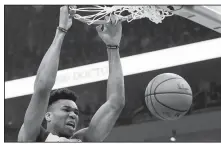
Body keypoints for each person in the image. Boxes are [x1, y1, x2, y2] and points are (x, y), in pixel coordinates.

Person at [18, 6, 125, 142]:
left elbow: (116, 103)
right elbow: (42, 88)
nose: (73, 115)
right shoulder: (32, 137)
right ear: (48, 115)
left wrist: (113, 47)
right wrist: (61, 31)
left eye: (75, 112)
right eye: (66, 110)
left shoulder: (84, 139)